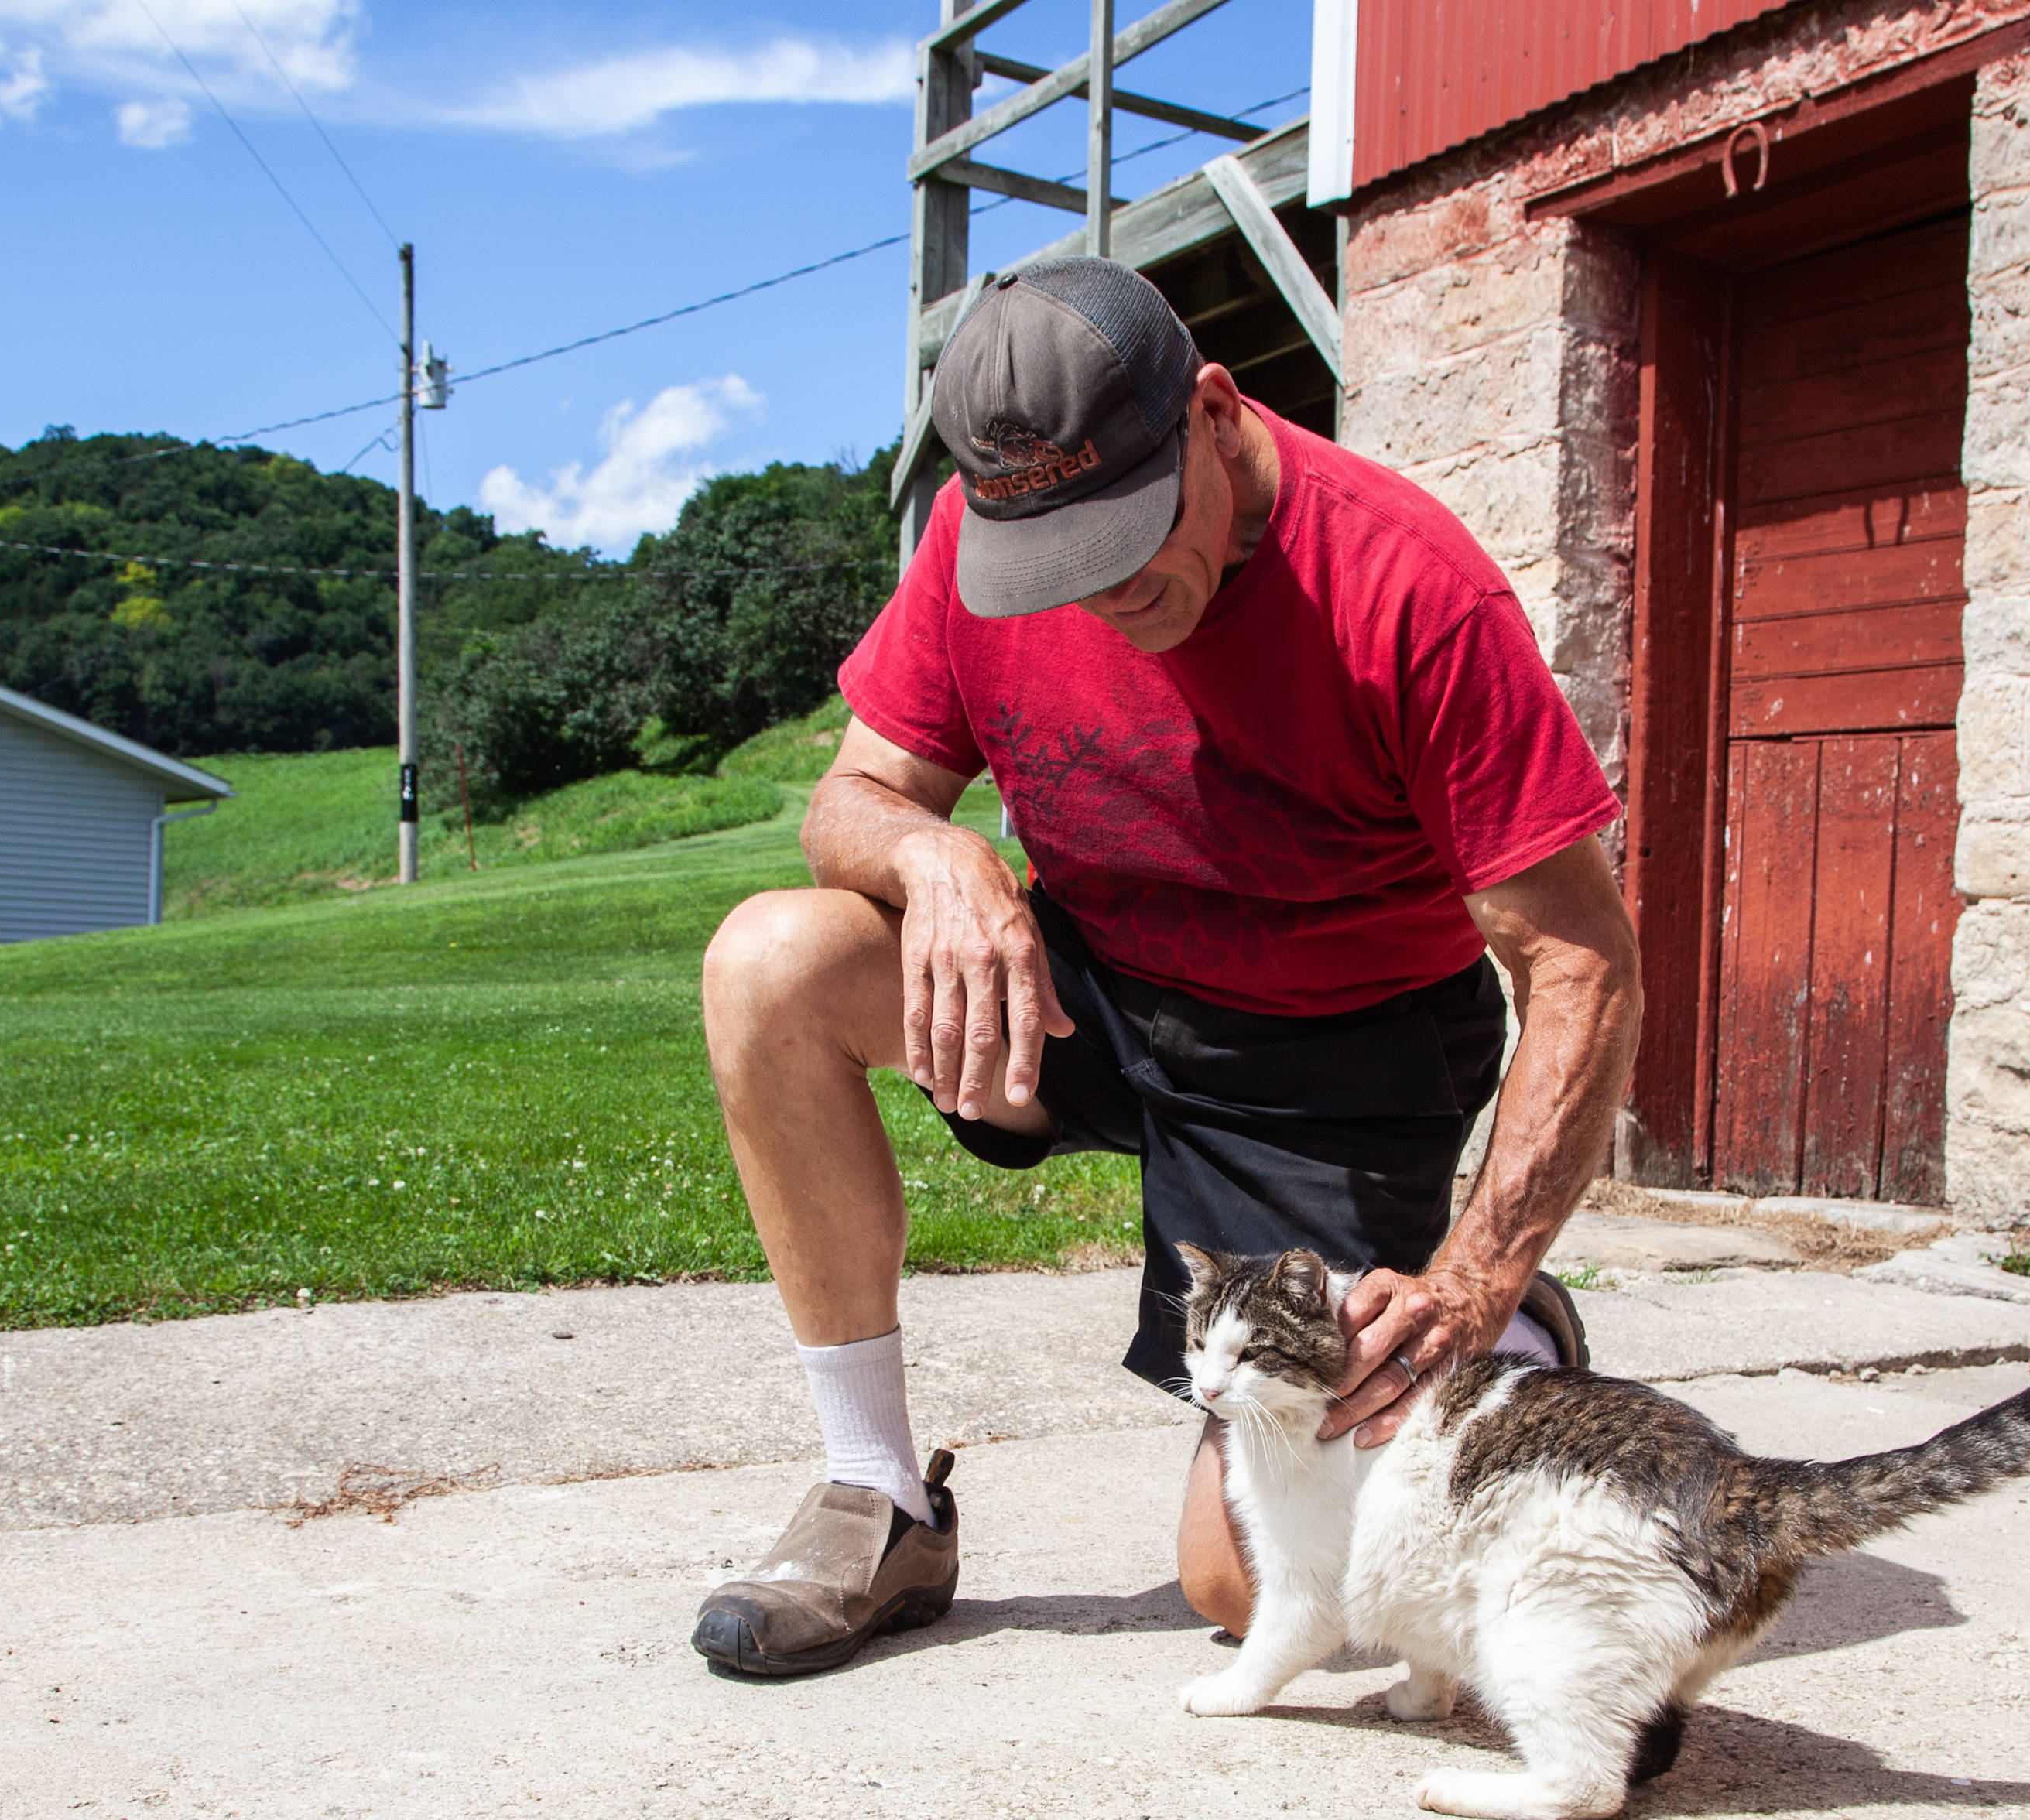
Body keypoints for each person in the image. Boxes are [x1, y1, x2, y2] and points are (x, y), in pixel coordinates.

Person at [692, 256, 1641, 1678]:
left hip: (1326, 1050)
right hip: (1088, 986)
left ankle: (1511, 1359)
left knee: (1248, 1590)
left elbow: (1583, 965)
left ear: (1212, 410)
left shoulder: (1407, 588)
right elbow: (850, 799)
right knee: (773, 957)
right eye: (1054, 562)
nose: (1104, 594)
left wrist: (1475, 1280)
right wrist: (936, 860)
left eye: (1130, 538)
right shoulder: (971, 540)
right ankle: (874, 1493)